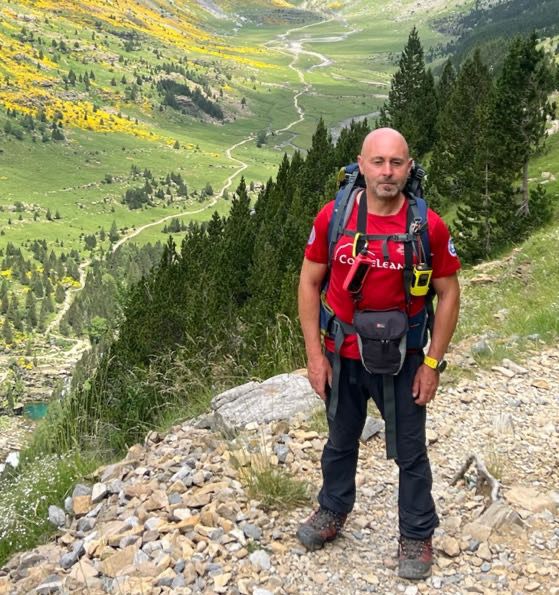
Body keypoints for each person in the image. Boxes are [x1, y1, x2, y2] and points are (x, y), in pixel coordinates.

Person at [296, 127, 461, 580]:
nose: (387, 172)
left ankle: (416, 533)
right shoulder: (334, 217)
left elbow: (449, 293)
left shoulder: (428, 226)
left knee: (411, 452)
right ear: (361, 164)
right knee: (339, 441)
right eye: (378, 162)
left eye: (396, 163)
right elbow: (309, 282)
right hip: (342, 353)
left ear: (409, 168)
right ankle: (332, 510)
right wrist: (315, 355)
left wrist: (432, 363)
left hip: (404, 357)